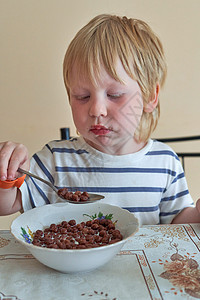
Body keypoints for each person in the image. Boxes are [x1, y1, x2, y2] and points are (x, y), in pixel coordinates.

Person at [0, 14, 199, 225]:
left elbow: (178, 224)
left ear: (150, 96)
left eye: (114, 95)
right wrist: (6, 173)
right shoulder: (56, 159)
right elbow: (7, 204)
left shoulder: (165, 162)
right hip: (70, 259)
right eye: (82, 96)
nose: (96, 110)